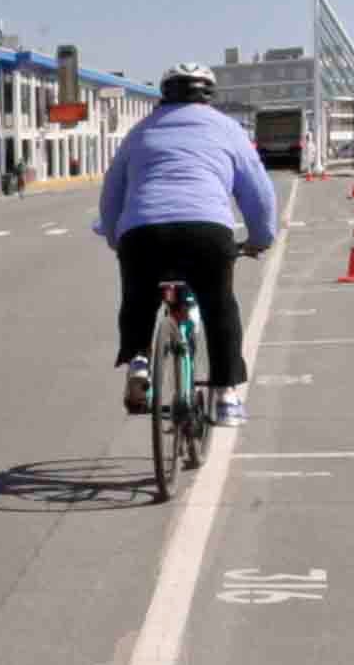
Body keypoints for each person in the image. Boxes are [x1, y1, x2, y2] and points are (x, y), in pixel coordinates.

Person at [94, 66, 280, 429]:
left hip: (142, 233)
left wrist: (117, 238)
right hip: (206, 232)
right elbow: (259, 193)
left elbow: (111, 193)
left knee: (138, 298)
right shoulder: (227, 129)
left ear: (164, 94)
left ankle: (138, 361)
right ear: (208, 94)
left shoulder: (140, 131)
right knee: (219, 304)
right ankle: (226, 395)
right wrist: (260, 238)